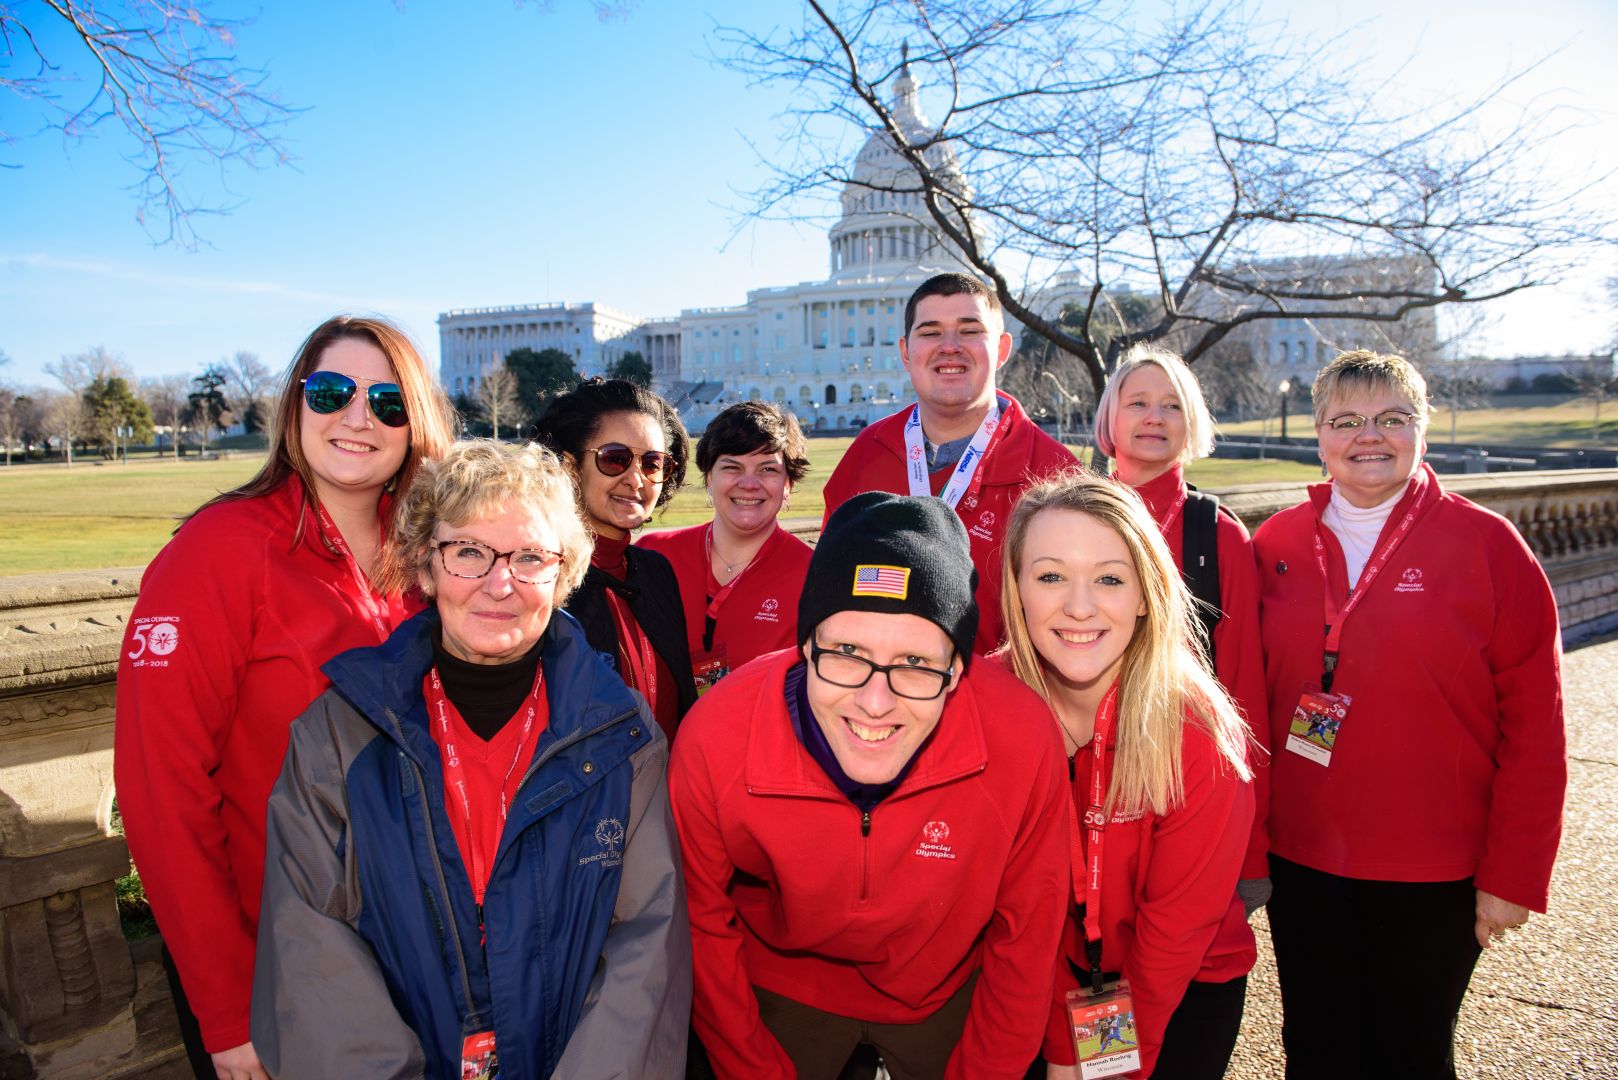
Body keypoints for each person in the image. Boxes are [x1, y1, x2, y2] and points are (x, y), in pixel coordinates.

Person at [251, 440, 691, 1078]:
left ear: (563, 573)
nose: (500, 583)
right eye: (468, 552)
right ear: (427, 568)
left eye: (531, 557)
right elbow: (312, 952)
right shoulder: (339, 733)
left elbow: (646, 947)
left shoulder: (623, 735)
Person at [114, 315, 455, 1079]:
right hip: (281, 968)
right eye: (333, 391)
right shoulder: (218, 551)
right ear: (295, 405)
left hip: (417, 956)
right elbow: (160, 791)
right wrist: (228, 1007)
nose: (359, 417)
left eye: (388, 401)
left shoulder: (434, 558)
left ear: (416, 425)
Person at [670, 492, 1070, 1080]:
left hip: (943, 986)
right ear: (804, 645)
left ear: (958, 668)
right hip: (783, 981)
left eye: (914, 662)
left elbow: (1028, 934)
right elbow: (701, 922)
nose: (874, 702)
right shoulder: (717, 734)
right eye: (848, 652)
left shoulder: (1020, 735)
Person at [1254, 350, 1567, 1080]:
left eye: (1393, 419)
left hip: (1437, 869)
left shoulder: (1489, 546)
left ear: (1421, 430)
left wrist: (1514, 874)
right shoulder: (1275, 545)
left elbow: (1538, 726)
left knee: (1410, 1053)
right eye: (1348, 420)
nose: (1371, 436)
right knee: (1317, 1046)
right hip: (1303, 860)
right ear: (1318, 434)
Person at [996, 473, 1256, 1079]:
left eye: (1109, 578)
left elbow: (1173, 935)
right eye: (1051, 575)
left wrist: (1096, 1062)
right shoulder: (985, 707)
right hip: (1026, 980)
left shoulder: (1196, 733)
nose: (1080, 606)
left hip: (1179, 981)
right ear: (1017, 590)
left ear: (1146, 593)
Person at [1093, 344, 1272, 911]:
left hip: (1186, 783)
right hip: (1084, 780)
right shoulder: (1070, 517)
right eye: (1138, 401)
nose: (1153, 416)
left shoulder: (1217, 535)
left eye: (1171, 405)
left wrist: (1251, 852)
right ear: (1110, 419)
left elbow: (1244, 695)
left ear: (1190, 422)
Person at [822, 272, 1077, 654]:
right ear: (906, 352)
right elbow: (829, 588)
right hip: (877, 699)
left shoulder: (1057, 474)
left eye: (969, 330)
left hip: (1003, 701)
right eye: (930, 332)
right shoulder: (865, 454)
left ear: (1002, 348)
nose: (950, 347)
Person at [535, 377, 698, 739]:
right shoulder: (539, 576)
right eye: (615, 459)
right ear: (570, 466)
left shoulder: (655, 572)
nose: (636, 480)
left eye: (652, 463)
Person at [638, 400, 813, 695]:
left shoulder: (814, 575)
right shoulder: (654, 555)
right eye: (732, 467)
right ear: (709, 477)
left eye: (767, 469)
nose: (748, 483)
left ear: (788, 485)